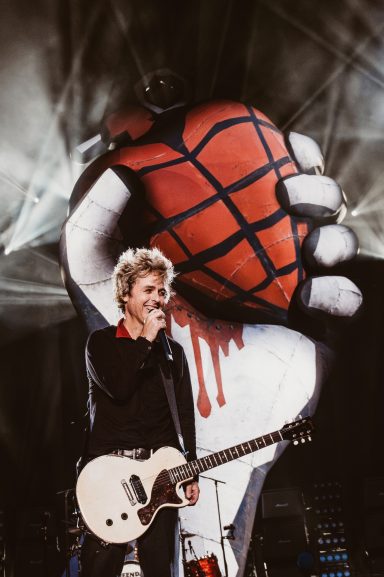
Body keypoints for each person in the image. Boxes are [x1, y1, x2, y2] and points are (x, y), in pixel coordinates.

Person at [80, 247, 199, 577]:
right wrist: (145, 339)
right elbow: (118, 387)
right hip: (108, 480)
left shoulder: (172, 354)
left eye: (162, 291)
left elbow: (183, 417)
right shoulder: (101, 344)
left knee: (161, 569)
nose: (157, 299)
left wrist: (189, 471)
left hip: (159, 481)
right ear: (125, 293)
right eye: (148, 290)